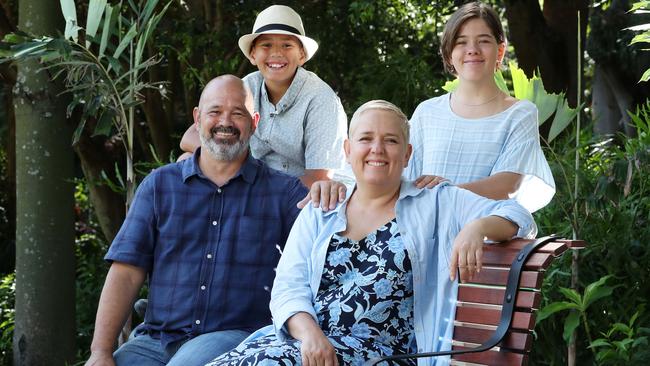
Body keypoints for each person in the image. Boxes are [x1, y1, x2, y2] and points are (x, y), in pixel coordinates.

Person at [206, 100, 536, 366]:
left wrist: (477, 227)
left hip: (384, 356)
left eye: (390, 140)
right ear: (348, 151)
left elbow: (518, 214)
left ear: (407, 155)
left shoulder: (437, 201)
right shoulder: (323, 208)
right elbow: (288, 287)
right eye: (366, 139)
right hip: (308, 347)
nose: (377, 149)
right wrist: (310, 336)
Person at [84, 75, 308, 366]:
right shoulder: (159, 185)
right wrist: (100, 352)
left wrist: (333, 189)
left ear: (254, 122)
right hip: (157, 340)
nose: (225, 122)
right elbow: (126, 271)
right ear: (197, 118)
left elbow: (318, 258)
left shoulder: (284, 193)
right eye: (215, 112)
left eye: (237, 113)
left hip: (237, 338)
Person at [304, 1, 555, 214]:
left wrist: (443, 191)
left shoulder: (520, 113)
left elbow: (507, 186)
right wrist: (337, 185)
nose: (472, 50)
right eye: (461, 42)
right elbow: (388, 164)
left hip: (488, 243)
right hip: (425, 238)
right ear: (448, 54)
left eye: (484, 41)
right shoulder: (428, 112)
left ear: (500, 51)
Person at [179, 5, 348, 188]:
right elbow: (189, 138)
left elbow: (319, 179)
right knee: (186, 160)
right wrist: (229, 159)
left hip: (303, 196)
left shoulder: (321, 99)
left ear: (301, 55)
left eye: (287, 45)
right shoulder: (246, 87)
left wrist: (258, 193)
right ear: (253, 54)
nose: (276, 53)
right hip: (253, 182)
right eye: (266, 45)